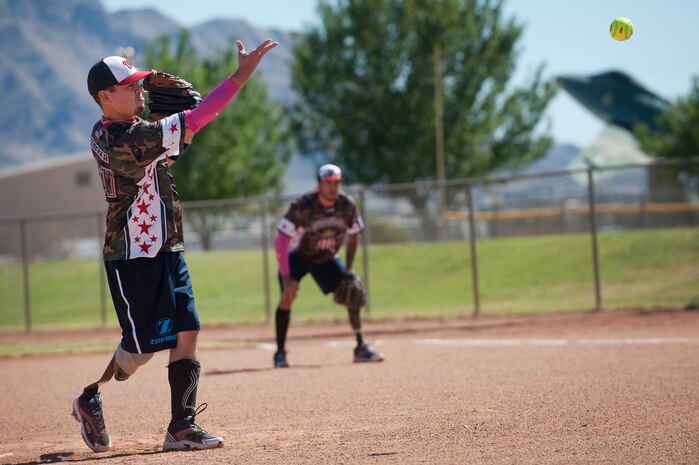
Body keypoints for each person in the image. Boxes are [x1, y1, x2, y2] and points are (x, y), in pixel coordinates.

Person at [72, 38, 278, 453]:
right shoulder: (117, 138)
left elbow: (168, 147)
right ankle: (89, 396)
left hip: (167, 245)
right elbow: (197, 119)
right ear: (104, 96)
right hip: (132, 254)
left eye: (139, 84)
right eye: (130, 86)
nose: (141, 91)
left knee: (188, 328)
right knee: (144, 347)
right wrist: (239, 75)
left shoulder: (136, 134)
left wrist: (174, 125)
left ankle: (180, 427)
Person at [273, 164, 384, 368]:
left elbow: (354, 235)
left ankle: (360, 348)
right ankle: (280, 353)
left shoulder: (346, 205)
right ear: (319, 184)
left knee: (353, 290)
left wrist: (348, 271)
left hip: (326, 257)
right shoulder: (303, 206)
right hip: (299, 255)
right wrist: (287, 276)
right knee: (287, 296)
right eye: (328, 183)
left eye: (337, 183)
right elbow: (281, 240)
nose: (333, 187)